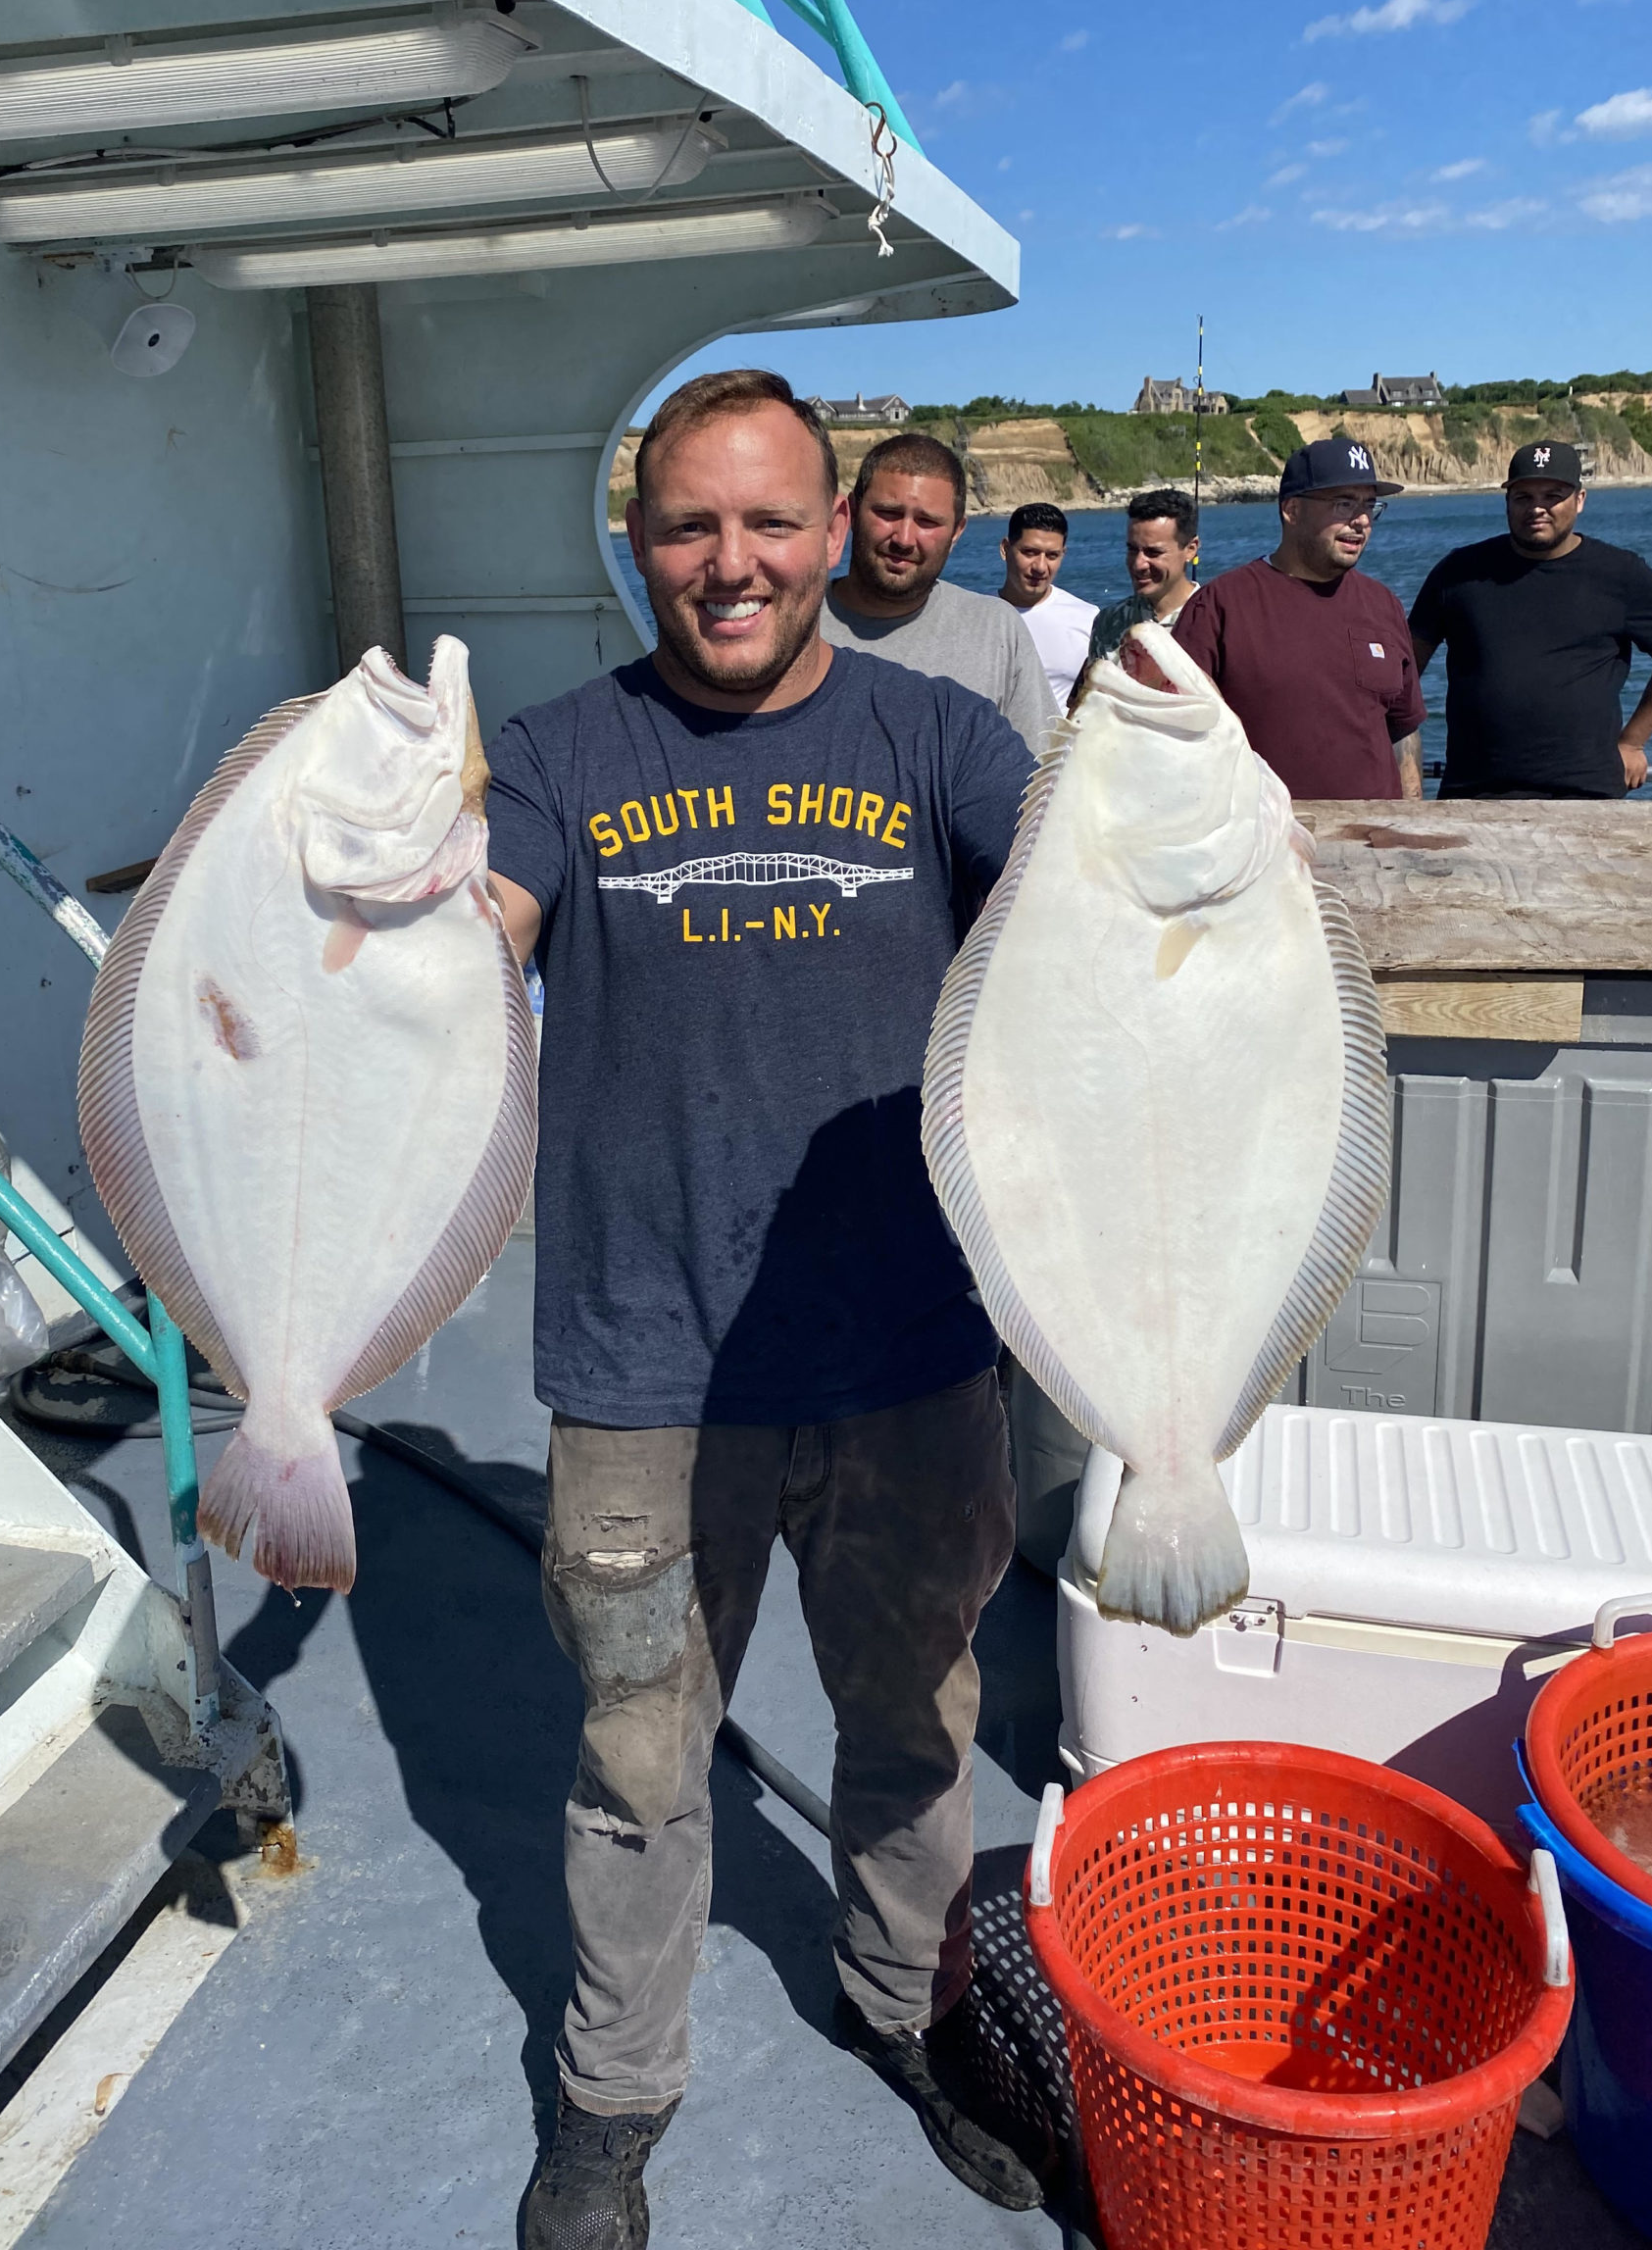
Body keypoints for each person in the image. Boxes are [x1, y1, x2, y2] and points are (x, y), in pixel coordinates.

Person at [484, 370, 1044, 2245]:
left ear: (832, 537)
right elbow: (474, 930)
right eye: (687, 527)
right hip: (648, 1369)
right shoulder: (560, 755)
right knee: (639, 1756)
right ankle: (611, 2093)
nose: (732, 564)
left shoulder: (940, 740)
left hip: (911, 1351)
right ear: (638, 543)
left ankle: (906, 2010)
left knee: (913, 1722)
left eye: (768, 524)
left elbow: (1090, 906)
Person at [1408, 438, 1652, 797]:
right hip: (1474, 793)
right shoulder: (1459, 572)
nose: (1537, 508)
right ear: (1507, 502)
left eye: (1553, 495)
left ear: (1580, 500)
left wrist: (1633, 743)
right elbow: (1402, 673)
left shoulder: (1621, 574)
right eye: (1524, 496)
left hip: (1587, 792)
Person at [1173, 438, 1426, 799]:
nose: (1362, 521)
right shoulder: (1218, 606)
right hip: (1263, 842)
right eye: (1344, 504)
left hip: (1377, 843)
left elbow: (1403, 728)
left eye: (1370, 505)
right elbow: (1176, 735)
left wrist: (1410, 818)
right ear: (1292, 510)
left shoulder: (1383, 605)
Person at [820, 431, 1054, 753]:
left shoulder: (996, 631)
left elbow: (1043, 774)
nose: (904, 538)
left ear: (957, 532)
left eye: (927, 522)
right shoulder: (796, 620)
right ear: (852, 511)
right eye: (888, 513)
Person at [1083, 486, 1201, 671]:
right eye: (1132, 549)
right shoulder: (1109, 622)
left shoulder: (1213, 620)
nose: (1139, 564)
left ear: (1190, 549)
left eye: (1153, 552)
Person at [995, 501, 1096, 701]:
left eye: (1052, 555)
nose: (1040, 567)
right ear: (1005, 549)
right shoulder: (979, 616)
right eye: (1030, 552)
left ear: (1063, 555)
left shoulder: (1089, 619)